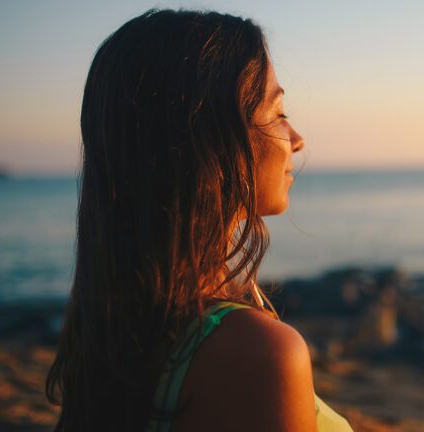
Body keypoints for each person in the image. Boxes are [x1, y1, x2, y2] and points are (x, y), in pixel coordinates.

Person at [45, 8, 354, 432]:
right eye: (278, 113)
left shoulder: (110, 328)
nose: (297, 140)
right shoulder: (260, 352)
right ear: (211, 139)